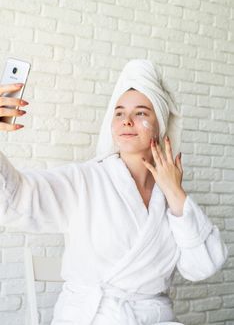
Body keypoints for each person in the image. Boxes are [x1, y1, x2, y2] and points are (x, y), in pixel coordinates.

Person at [0, 59, 228, 325]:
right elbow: (14, 202)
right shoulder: (85, 179)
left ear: (160, 125)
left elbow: (202, 267)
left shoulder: (170, 199)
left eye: (141, 113)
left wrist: (175, 193)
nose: (127, 121)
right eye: (119, 112)